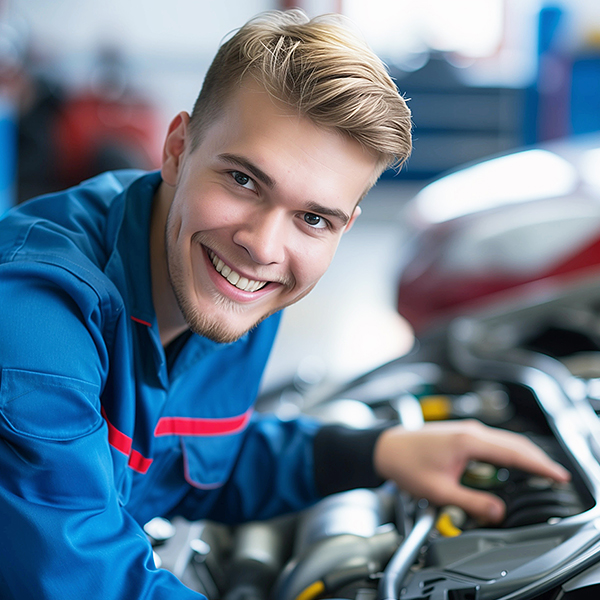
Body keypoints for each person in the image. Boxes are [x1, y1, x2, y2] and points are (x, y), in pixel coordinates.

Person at [0, 9, 569, 599]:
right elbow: (83, 579)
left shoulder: (227, 282)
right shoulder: (35, 315)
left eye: (312, 218)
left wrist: (375, 452)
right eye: (244, 181)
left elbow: (183, 461)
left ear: (342, 228)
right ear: (176, 149)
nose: (263, 246)